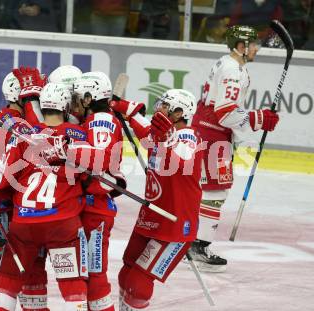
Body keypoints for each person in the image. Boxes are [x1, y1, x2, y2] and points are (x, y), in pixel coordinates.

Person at [0, 82, 114, 311]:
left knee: (8, 282)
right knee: (72, 285)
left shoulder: (22, 137)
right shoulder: (78, 135)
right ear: (65, 107)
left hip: (24, 224)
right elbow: (101, 167)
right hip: (62, 225)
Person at [189, 25, 280, 272]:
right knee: (214, 193)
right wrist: (258, 119)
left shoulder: (227, 64)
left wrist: (241, 136)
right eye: (253, 43)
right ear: (241, 46)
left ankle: (193, 241)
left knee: (208, 191)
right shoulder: (233, 71)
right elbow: (225, 112)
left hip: (210, 132)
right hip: (212, 134)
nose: (256, 48)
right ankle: (198, 245)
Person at [112, 89, 203, 310]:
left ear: (180, 113)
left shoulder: (188, 136)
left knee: (138, 284)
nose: (158, 109)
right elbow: (146, 136)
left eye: (165, 106)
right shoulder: (161, 134)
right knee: (126, 274)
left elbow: (183, 160)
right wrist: (131, 113)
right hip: (152, 216)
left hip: (174, 223)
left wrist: (166, 141)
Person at [73, 71, 126, 311]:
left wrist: (86, 181)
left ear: (88, 98)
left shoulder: (100, 121)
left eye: (77, 97)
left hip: (95, 208)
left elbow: (98, 161)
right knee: (84, 272)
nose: (74, 102)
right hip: (89, 206)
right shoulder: (96, 120)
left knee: (94, 273)